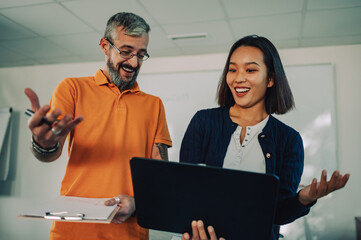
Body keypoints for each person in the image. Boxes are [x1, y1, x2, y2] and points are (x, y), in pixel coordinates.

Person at [179, 35, 350, 240]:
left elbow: (279, 213)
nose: (238, 78)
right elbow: (186, 193)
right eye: (232, 69)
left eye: (250, 70)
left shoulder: (289, 140)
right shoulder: (203, 122)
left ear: (270, 79)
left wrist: (304, 198)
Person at [24, 12, 172, 240]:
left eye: (141, 55)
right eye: (126, 52)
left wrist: (137, 203)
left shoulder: (154, 105)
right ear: (105, 46)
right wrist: (43, 143)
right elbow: (49, 153)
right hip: (72, 232)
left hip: (129, 232)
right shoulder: (72, 88)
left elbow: (160, 177)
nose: (134, 63)